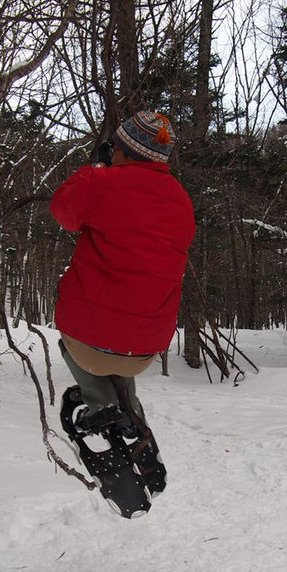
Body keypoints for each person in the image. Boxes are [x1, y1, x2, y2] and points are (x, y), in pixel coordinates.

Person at [50, 110, 195, 435]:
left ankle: (102, 405)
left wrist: (97, 168)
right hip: (145, 351)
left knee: (90, 337)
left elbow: (62, 209)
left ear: (124, 149)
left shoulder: (101, 182)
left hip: (87, 344)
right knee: (122, 333)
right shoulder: (181, 201)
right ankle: (129, 409)